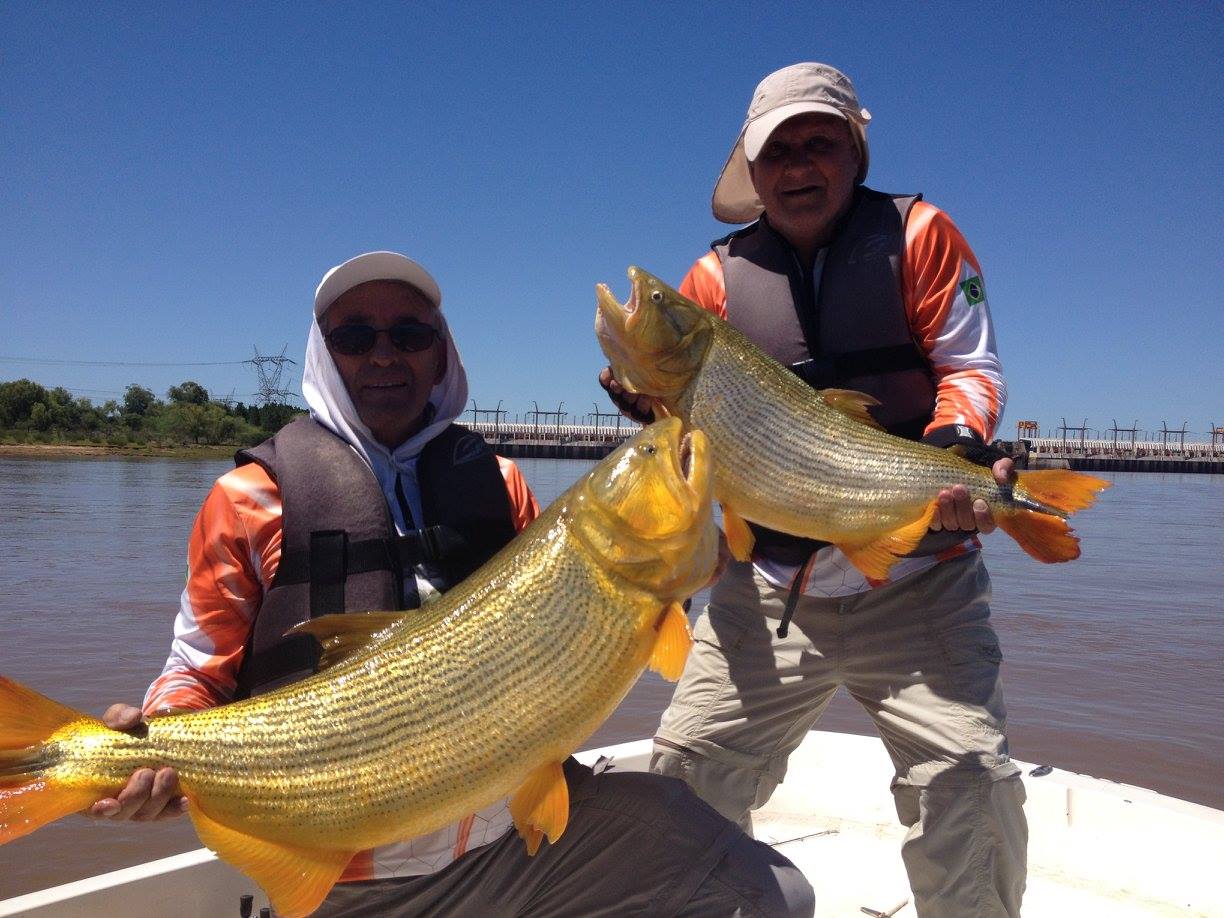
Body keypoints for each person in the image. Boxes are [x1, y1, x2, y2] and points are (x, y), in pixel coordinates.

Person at [86, 251, 814, 916]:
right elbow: (192, 671)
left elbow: (589, 626)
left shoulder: (499, 485)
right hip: (351, 878)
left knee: (767, 893)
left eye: (409, 334)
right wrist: (154, 744)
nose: (383, 355)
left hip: (520, 845)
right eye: (353, 337)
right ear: (323, 354)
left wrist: (681, 576)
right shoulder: (247, 500)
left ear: (441, 354)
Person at [601, 63, 1026, 917]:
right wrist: (647, 402)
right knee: (687, 775)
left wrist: (952, 452)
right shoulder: (712, 281)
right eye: (778, 151)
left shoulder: (922, 235)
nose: (798, 166)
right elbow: (686, 432)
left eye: (818, 143)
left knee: (967, 783)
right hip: (763, 592)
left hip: (919, 579)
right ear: (753, 173)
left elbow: (970, 366)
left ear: (855, 152)